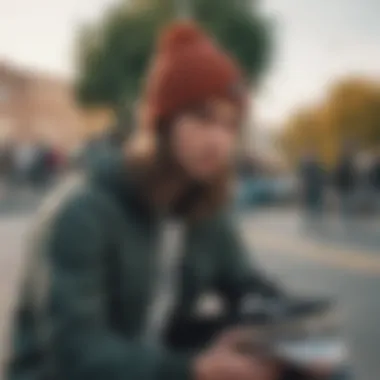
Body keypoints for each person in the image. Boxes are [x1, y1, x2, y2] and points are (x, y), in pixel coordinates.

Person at [7, 23, 302, 380]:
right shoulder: (81, 212)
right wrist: (192, 369)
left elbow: (245, 284)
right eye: (202, 117)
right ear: (160, 123)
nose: (218, 140)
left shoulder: (203, 206)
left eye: (230, 125)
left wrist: (299, 335)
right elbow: (76, 353)